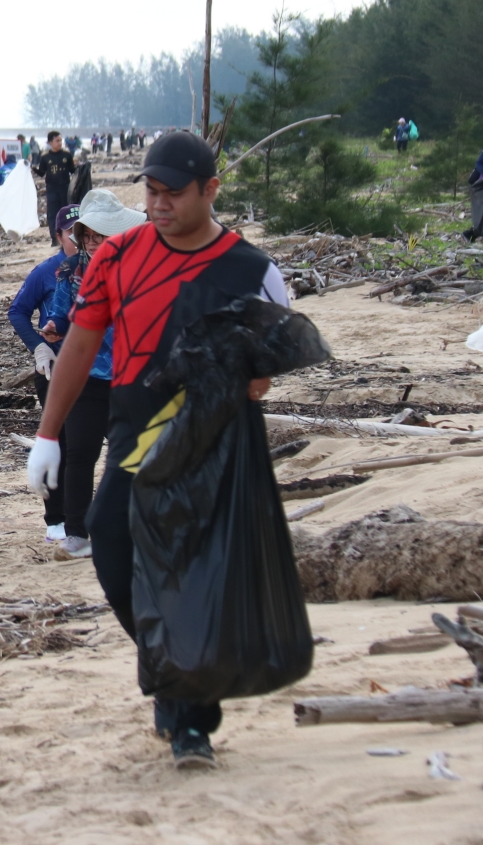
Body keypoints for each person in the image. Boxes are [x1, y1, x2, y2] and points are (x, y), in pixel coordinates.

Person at [26, 132, 289, 771]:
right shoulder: (118, 257)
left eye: (175, 192)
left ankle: (189, 719)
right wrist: (48, 433)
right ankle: (167, 658)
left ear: (210, 191)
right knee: (111, 544)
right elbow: (82, 345)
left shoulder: (251, 269)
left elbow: (263, 375)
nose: (161, 202)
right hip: (134, 434)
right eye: (153, 190)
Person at [36, 190, 145, 559]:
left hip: (130, 376)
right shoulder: (69, 270)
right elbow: (65, 314)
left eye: (104, 236)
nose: (96, 243)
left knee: (128, 454)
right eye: (89, 236)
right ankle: (76, 531)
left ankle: (123, 523)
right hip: (86, 375)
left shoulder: (138, 267)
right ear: (80, 237)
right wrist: (54, 325)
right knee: (80, 454)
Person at [6, 204, 79, 541]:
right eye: (71, 233)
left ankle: (83, 516)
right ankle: (55, 520)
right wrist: (38, 346)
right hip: (52, 369)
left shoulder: (100, 269)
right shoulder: (46, 272)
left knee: (88, 443)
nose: (78, 239)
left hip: (95, 369)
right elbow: (18, 310)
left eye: (85, 231)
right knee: (59, 442)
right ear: (58, 235)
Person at [33, 131, 76, 246]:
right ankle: (55, 239)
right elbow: (41, 173)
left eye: (61, 140)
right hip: (52, 190)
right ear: (50, 142)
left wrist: (83, 168)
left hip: (65, 189)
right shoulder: (45, 158)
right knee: (53, 215)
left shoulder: (67, 156)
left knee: (66, 214)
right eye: (57, 141)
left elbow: (73, 171)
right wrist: (31, 168)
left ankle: (67, 238)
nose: (60, 143)